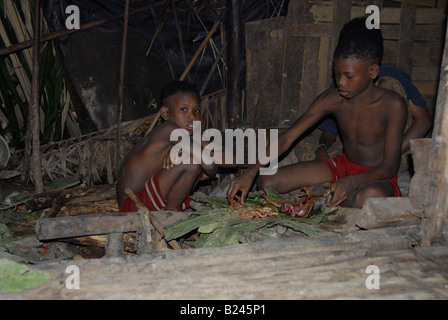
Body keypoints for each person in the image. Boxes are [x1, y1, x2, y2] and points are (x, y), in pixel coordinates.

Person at [227, 18, 407, 209]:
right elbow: (287, 138)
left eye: (349, 76)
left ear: (372, 71)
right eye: (337, 74)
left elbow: (389, 167)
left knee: (370, 197)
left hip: (376, 176)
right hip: (343, 167)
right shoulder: (332, 99)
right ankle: (327, 195)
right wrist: (251, 171)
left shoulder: (393, 105)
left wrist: (351, 182)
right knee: (268, 181)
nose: (341, 82)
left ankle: (325, 195)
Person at [314, 19, 432, 166]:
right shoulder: (342, 81)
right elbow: (330, 129)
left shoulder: (393, 75)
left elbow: (424, 120)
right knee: (306, 151)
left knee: (386, 84)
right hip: (361, 154)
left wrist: (390, 155)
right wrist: (322, 148)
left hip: (397, 151)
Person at [116, 80, 217, 212]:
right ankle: (170, 216)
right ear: (165, 113)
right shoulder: (168, 129)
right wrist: (205, 170)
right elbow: (210, 165)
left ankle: (169, 215)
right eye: (183, 109)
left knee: (191, 161)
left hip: (144, 202)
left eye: (196, 110)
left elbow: (230, 161)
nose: (191, 116)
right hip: (133, 205)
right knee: (191, 161)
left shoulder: (182, 138)